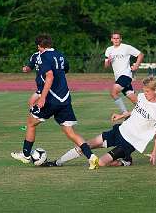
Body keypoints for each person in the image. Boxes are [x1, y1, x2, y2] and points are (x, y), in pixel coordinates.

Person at [11, 33, 99, 170]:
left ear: (39, 46)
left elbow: (50, 76)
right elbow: (65, 70)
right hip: (65, 98)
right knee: (71, 133)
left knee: (31, 123)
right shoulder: (60, 55)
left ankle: (26, 154)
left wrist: (43, 97)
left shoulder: (43, 56)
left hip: (51, 98)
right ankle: (91, 157)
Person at [44, 76, 156, 167]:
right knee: (85, 146)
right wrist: (121, 116)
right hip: (120, 130)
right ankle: (57, 162)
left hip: (130, 142)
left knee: (101, 163)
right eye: (144, 91)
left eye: (147, 91)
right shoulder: (142, 97)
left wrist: (155, 153)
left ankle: (126, 161)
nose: (145, 93)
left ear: (155, 90)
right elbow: (137, 112)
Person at [104, 31, 144, 114]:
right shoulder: (109, 50)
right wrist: (109, 61)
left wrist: (136, 65)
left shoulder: (126, 47)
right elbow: (106, 66)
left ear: (121, 39)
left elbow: (140, 54)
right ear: (111, 39)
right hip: (118, 78)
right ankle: (148, 114)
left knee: (113, 93)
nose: (116, 40)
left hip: (126, 75)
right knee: (136, 101)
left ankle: (125, 113)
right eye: (114, 38)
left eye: (117, 38)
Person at [22, 42, 44, 108]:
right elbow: (30, 67)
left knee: (33, 103)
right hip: (40, 85)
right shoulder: (35, 55)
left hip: (46, 85)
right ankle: (37, 117)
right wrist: (26, 69)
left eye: (39, 46)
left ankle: (36, 117)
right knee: (33, 103)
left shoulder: (50, 56)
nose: (38, 47)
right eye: (38, 46)